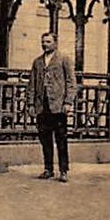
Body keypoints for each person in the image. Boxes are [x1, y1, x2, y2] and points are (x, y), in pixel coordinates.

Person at [28, 31, 77, 181]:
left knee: (61, 139)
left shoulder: (64, 59)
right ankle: (48, 168)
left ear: (55, 43)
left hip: (58, 105)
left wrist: (68, 102)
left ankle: (63, 170)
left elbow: (71, 82)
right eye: (43, 42)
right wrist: (31, 103)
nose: (45, 44)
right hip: (42, 106)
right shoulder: (37, 62)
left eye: (48, 42)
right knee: (45, 139)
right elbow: (32, 84)